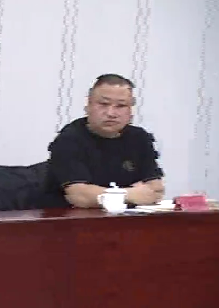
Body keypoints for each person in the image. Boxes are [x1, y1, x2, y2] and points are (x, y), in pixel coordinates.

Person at [42, 74, 164, 209]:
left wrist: (105, 195)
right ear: (88, 106)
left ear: (130, 110)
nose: (111, 113)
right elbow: (79, 196)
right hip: (72, 218)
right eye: (103, 104)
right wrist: (128, 194)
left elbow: (156, 189)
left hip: (127, 217)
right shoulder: (69, 139)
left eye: (121, 106)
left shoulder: (139, 137)